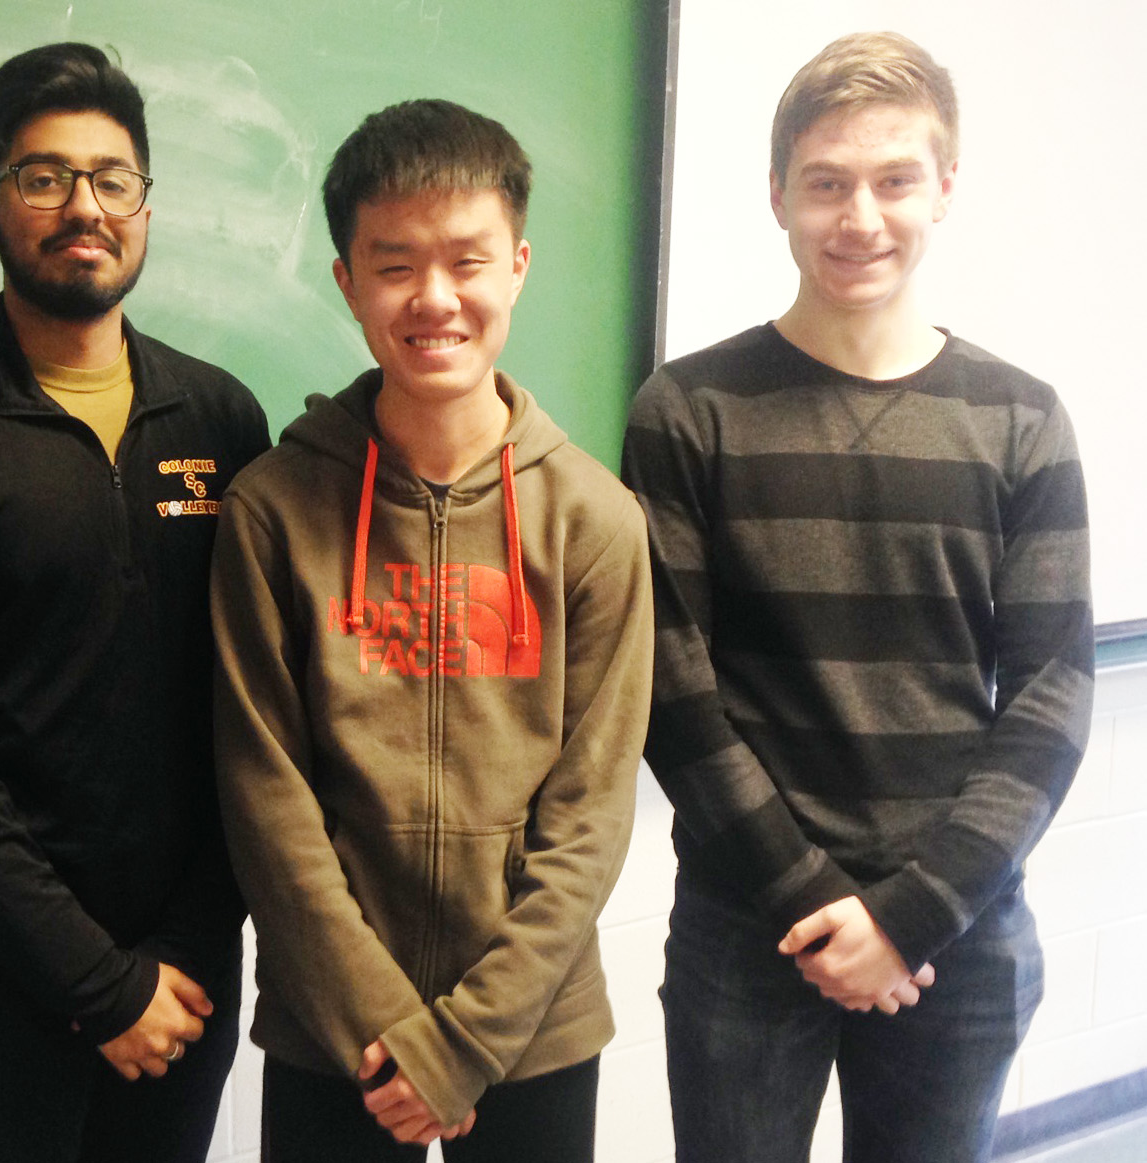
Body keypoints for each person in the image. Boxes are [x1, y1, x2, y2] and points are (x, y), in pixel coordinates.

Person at [623, 31, 1093, 1163]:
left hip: (960, 933)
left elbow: (1051, 693)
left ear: (944, 190)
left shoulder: (1021, 418)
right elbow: (670, 690)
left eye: (893, 180)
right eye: (826, 182)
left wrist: (909, 915)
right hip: (748, 926)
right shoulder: (689, 411)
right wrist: (815, 900)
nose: (860, 217)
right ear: (777, 193)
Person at [0, 42, 269, 1163]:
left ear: (146, 211)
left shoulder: (219, 421)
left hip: (181, 983)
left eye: (112, 179)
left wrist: (188, 950)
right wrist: (97, 982)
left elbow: (251, 710)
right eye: (43, 177)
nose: (84, 206)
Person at [210, 98, 653, 1162]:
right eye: (395, 263)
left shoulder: (592, 519)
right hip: (335, 1030)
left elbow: (590, 811)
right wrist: (385, 1030)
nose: (435, 298)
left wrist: (466, 1040)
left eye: (468, 259)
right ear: (347, 281)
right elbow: (267, 797)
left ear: (519, 264)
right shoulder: (273, 510)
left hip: (532, 1027)